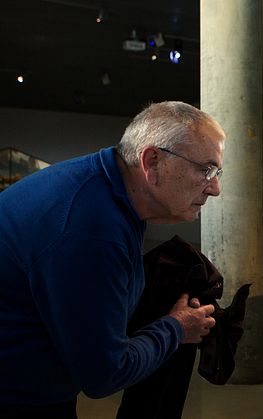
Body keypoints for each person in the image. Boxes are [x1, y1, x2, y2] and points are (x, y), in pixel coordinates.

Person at [0, 101, 224, 418]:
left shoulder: (105, 190)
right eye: (206, 169)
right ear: (153, 161)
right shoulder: (89, 230)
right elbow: (104, 374)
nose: (215, 187)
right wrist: (177, 327)